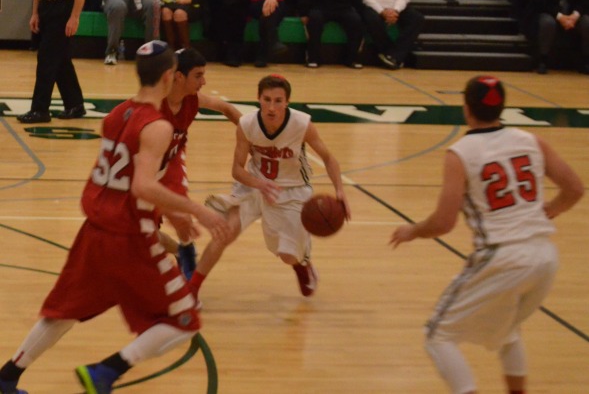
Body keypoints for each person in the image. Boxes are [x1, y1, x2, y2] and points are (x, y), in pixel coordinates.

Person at [0, 41, 231, 394]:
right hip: (129, 237)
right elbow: (141, 185)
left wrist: (170, 209)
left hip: (95, 231)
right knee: (185, 320)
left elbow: (124, 180)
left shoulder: (115, 115)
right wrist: (196, 211)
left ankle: (7, 376)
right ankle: (106, 372)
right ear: (170, 76)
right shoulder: (158, 126)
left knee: (65, 313)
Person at [390, 75, 584, 394]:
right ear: (502, 107)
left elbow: (443, 222)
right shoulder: (531, 140)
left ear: (466, 108)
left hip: (502, 256)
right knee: (508, 329)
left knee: (438, 336)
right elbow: (574, 188)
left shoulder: (461, 152)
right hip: (545, 256)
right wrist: (550, 210)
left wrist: (412, 230)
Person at [188, 74, 351, 304]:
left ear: (287, 102)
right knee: (225, 233)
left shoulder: (302, 124)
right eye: (267, 99)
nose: (272, 107)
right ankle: (192, 290)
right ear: (258, 99)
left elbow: (329, 158)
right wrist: (259, 184)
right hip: (253, 184)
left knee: (286, 256)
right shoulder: (247, 125)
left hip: (292, 190)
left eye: (278, 100)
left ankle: (301, 265)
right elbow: (237, 170)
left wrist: (340, 191)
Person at [158, 47, 242, 280]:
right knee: (145, 236)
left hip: (171, 162)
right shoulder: (154, 103)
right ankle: (182, 251)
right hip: (144, 169)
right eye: (198, 75)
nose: (204, 81)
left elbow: (226, 108)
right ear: (178, 77)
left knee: (182, 217)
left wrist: (253, 137)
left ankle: (187, 259)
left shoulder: (192, 100)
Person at [16, 0, 88, 124]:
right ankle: (75, 104)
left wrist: (74, 17)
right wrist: (35, 12)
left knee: (47, 58)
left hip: (63, 8)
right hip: (46, 7)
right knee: (60, 59)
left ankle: (40, 109)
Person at [523, 0, 589, 74]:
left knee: (587, 22)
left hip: (570, 14)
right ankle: (542, 60)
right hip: (549, 13)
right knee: (547, 22)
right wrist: (560, 16)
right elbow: (539, 3)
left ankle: (586, 61)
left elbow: (583, 0)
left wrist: (575, 15)